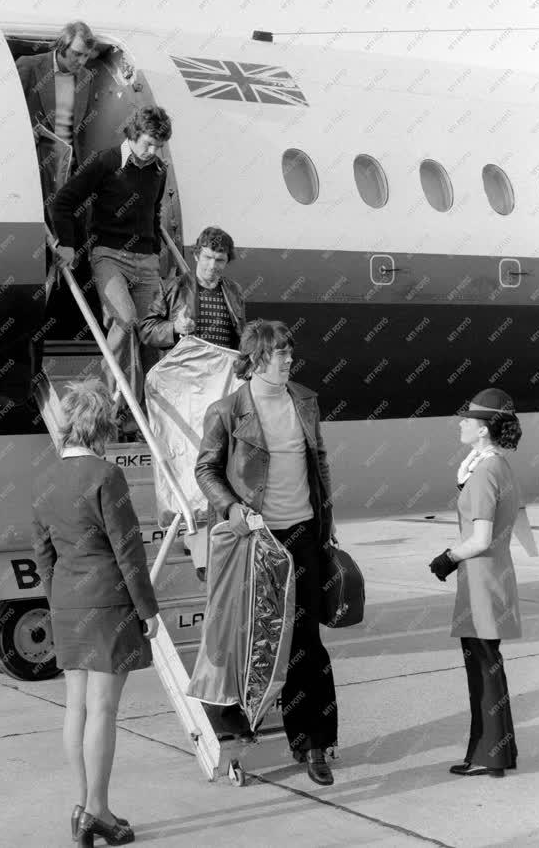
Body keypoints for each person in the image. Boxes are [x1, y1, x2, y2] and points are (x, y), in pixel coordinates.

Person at [195, 319, 338, 785]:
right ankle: (240, 732)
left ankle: (315, 743)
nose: (289, 360)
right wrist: (230, 507)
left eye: (290, 353)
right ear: (257, 357)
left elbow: (318, 463)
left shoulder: (305, 401)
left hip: (301, 535)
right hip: (257, 540)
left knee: (306, 643)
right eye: (281, 354)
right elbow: (206, 469)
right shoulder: (227, 411)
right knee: (247, 641)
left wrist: (326, 525)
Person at [31, 378, 158, 845]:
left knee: (76, 708)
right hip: (107, 603)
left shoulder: (43, 479)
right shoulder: (107, 476)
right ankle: (99, 812)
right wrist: (147, 608)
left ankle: (82, 804)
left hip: (67, 602)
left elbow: (42, 553)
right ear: (101, 427)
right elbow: (128, 550)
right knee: (103, 710)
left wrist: (58, 596)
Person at [53, 106, 172, 439]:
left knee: (152, 335)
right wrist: (67, 243)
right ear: (133, 135)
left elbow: (154, 213)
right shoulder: (106, 162)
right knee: (125, 319)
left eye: (159, 145)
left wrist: (155, 254)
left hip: (146, 262)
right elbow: (63, 201)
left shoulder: (158, 171)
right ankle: (111, 405)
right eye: (149, 143)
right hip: (109, 256)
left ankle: (150, 411)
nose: (153, 152)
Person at [428, 387, 526, 779]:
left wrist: (448, 558)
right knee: (488, 668)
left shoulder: (484, 472)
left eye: (468, 418)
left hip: (482, 584)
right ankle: (497, 754)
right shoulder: (495, 465)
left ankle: (491, 756)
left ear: (484, 429)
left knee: (483, 671)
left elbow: (481, 538)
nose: (462, 422)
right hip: (491, 577)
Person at [16, 21, 96, 221]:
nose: (81, 61)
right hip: (35, 162)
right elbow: (7, 110)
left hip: (69, 167)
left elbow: (82, 129)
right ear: (62, 45)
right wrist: (25, 132)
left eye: (86, 55)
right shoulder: (29, 66)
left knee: (68, 227)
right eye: (77, 53)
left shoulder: (86, 77)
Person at [139, 226, 245, 352]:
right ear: (196, 255)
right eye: (207, 257)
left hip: (222, 368)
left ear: (227, 261)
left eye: (219, 260)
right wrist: (174, 327)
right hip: (185, 368)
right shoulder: (171, 287)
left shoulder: (235, 291)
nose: (212, 266)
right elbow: (146, 331)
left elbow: (241, 336)